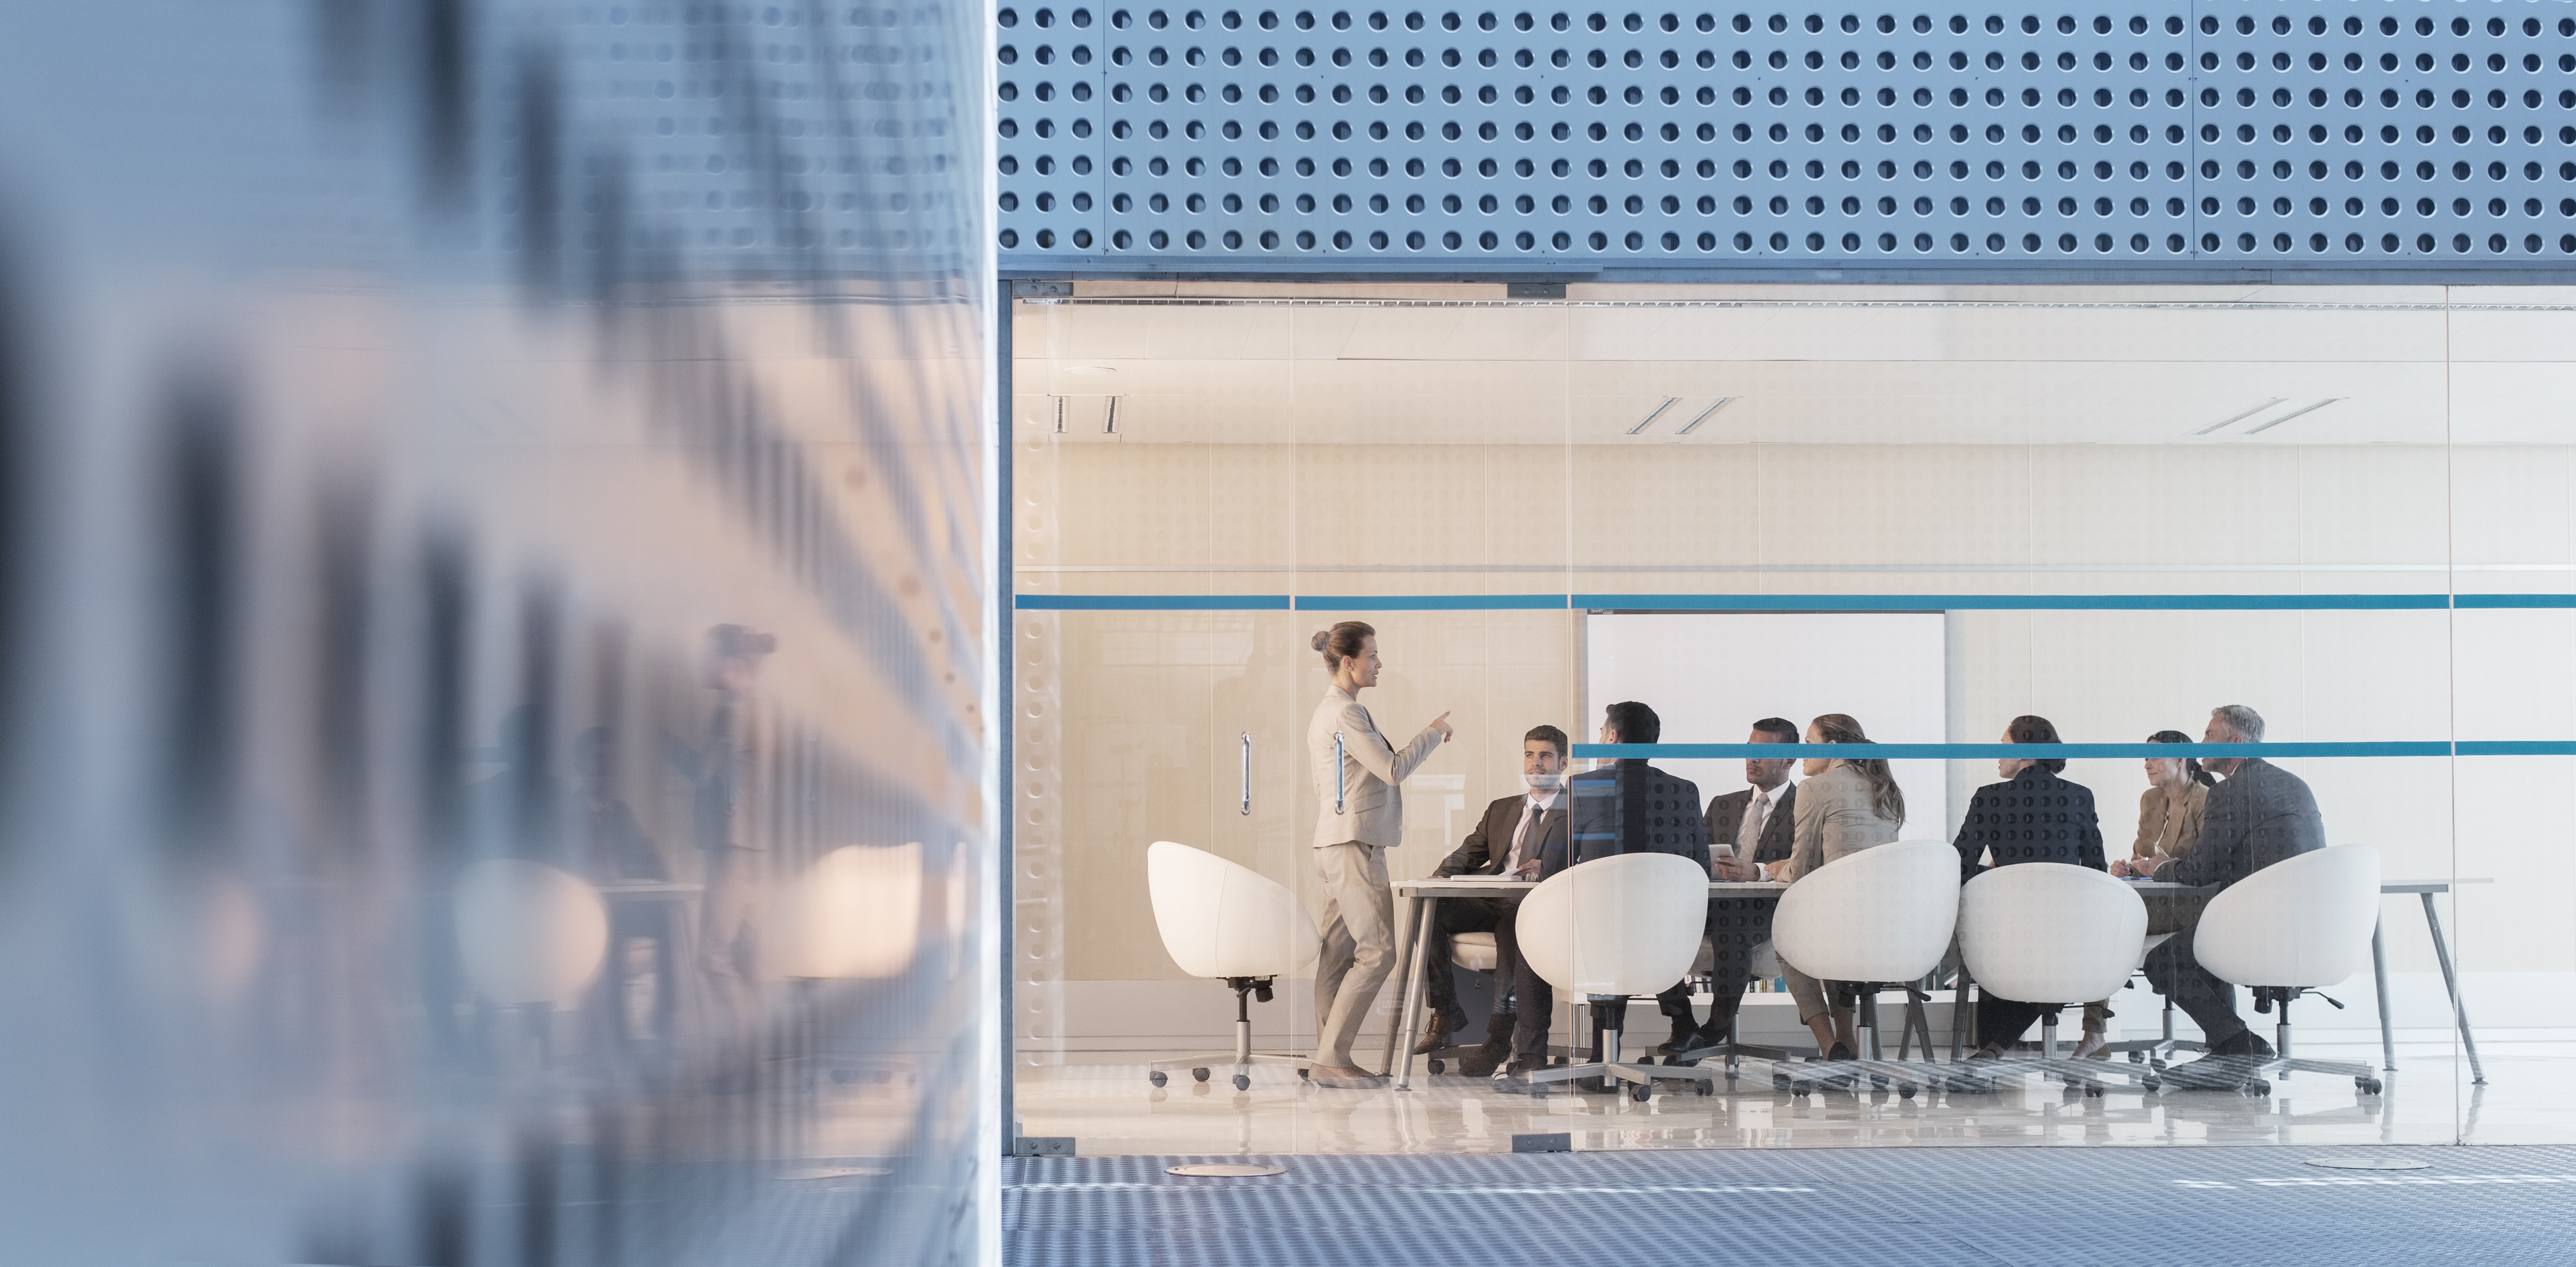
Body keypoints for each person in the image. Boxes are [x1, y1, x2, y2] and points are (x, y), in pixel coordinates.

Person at [1495, 701, 1705, 1093]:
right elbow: (1701, 867)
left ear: (1612, 737)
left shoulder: (1587, 787)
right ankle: (1674, 1027)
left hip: (1601, 936)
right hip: (1669, 938)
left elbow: (1556, 865)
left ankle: (1534, 1057)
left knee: (1529, 932)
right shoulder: (1684, 791)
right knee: (1628, 927)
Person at [1305, 622, 1451, 1090]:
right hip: (1354, 845)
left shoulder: (1335, 711)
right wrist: (1431, 734)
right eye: (1372, 655)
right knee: (1378, 953)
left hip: (1336, 843)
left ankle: (1331, 1057)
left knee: (1337, 955)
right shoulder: (1345, 714)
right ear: (1348, 662)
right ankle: (1332, 1057)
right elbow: (1391, 769)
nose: (1379, 664)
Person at [2143, 704, 2325, 1075]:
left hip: (2261, 926)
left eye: (2210, 734)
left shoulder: (2230, 792)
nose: (2202, 742)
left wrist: (2159, 868)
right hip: (2308, 927)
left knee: (2164, 961)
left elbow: (2199, 871)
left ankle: (2239, 1044)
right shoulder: (2293, 783)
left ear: (2236, 742)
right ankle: (2229, 1048)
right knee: (2203, 941)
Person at [1952, 714, 2109, 1059]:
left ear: (2025, 753)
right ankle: (1995, 1047)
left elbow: (1959, 864)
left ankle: (1992, 1047)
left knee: (1996, 938)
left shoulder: (1989, 797)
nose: (1997, 754)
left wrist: (1995, 875)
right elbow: (2097, 869)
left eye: (2004, 746)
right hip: (2068, 934)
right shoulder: (2080, 796)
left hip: (2008, 933)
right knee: (2056, 952)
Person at [1416, 725, 1570, 1077]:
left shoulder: (1576, 811)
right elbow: (1471, 851)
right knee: (1431, 908)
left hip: (1536, 905)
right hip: (1493, 896)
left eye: (1545, 756)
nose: (1536, 764)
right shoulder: (1502, 809)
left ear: (1563, 762)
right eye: (1530, 755)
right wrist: (1441, 876)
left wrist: (1548, 866)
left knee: (1512, 930)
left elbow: (1587, 860)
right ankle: (1447, 1010)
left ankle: (1499, 1037)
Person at [1758, 713, 1904, 1061]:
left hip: (1844, 929)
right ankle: (1847, 1040)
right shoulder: (1886, 788)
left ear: (1833, 747)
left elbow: (1801, 869)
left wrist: (1774, 869)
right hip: (1893, 934)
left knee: (1789, 942)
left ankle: (1829, 1045)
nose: (1802, 752)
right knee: (1835, 932)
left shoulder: (1814, 788)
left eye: (1808, 744)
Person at [1654, 716, 1800, 1055]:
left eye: (1763, 752)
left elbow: (1802, 862)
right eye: (1750, 750)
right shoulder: (1724, 803)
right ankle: (1683, 1021)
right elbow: (1693, 853)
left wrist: (1758, 872)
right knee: (1655, 922)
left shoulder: (1803, 805)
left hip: (1769, 910)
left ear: (1789, 760)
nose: (1752, 759)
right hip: (1714, 903)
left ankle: (1713, 1030)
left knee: (1732, 927)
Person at [2089, 730, 2214, 1049]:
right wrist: (2128, 868)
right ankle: (2094, 1034)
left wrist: (2162, 865)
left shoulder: (2204, 797)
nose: (2147, 764)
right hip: (2155, 899)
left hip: (2193, 903)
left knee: (2110, 926)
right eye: (2145, 758)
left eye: (2155, 757)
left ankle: (2094, 1034)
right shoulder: (2151, 800)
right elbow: (2142, 854)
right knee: (2100, 923)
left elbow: (2206, 865)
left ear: (2180, 760)